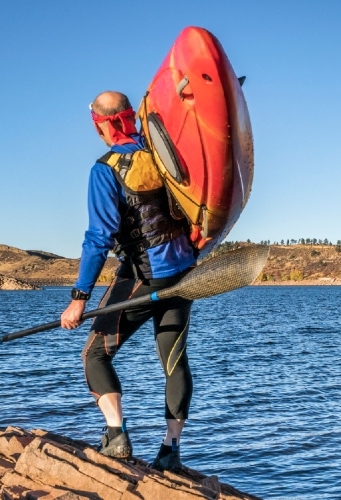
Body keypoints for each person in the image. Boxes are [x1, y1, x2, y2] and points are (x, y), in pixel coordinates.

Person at [60, 91, 198, 472]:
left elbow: (98, 239)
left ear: (102, 124)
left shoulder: (105, 169)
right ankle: (171, 451)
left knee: (95, 355)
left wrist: (79, 298)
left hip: (142, 275)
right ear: (132, 119)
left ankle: (116, 435)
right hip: (184, 274)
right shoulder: (165, 155)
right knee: (173, 360)